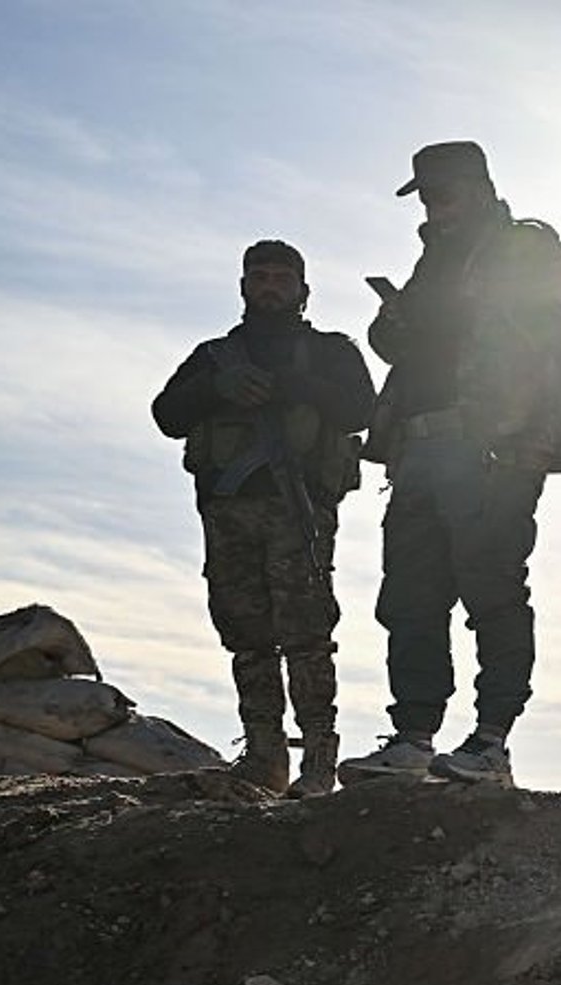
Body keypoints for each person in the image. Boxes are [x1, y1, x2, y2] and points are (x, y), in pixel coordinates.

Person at [338, 140, 561, 789]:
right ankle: (414, 739)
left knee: (492, 587)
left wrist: (498, 424)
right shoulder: (433, 259)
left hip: (492, 447)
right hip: (417, 445)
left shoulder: (525, 247)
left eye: (441, 192)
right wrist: (395, 320)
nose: (432, 206)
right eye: (423, 195)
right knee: (409, 598)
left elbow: (545, 333)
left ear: (478, 186)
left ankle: (491, 743)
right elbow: (395, 345)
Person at [153, 240, 375, 796]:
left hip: (298, 508)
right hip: (229, 510)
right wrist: (216, 388)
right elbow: (167, 414)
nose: (270, 286)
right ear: (243, 286)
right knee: (245, 634)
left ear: (303, 290)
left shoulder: (328, 351)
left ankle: (318, 761)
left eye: (281, 277)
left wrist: (298, 387)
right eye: (260, 277)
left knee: (307, 632)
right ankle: (263, 757)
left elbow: (360, 410)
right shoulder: (215, 356)